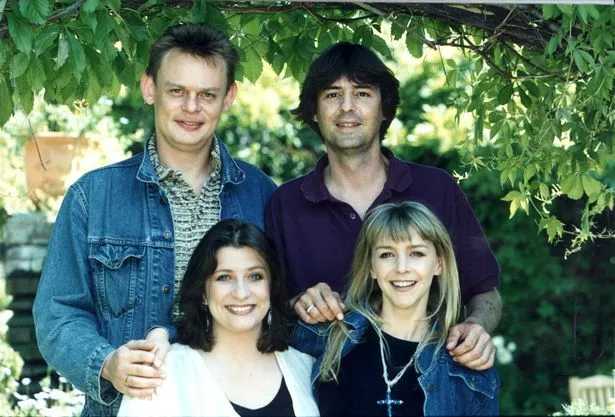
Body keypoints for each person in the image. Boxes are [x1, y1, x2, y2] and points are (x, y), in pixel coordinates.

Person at [33, 23, 276, 416]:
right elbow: (58, 313)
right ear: (150, 89)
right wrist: (106, 363)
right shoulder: (92, 198)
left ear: (228, 97)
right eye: (177, 91)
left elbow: (284, 304)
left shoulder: (263, 196)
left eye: (207, 95)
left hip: (236, 403)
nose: (191, 108)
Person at [266, 42, 501, 370]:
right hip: (327, 393)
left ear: (385, 108)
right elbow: (269, 309)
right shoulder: (286, 203)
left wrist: (476, 327)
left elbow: (485, 293)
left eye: (362, 93)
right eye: (332, 95)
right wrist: (299, 302)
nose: (347, 107)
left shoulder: (436, 189)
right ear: (314, 112)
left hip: (429, 386)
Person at [294, 201, 499, 416]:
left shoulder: (467, 369)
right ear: (372, 267)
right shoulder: (327, 336)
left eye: (416, 254)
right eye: (387, 254)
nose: (402, 268)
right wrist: (297, 303)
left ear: (439, 264)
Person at [118, 219, 318, 417]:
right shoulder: (160, 375)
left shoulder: (305, 366)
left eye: (255, 276)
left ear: (271, 286)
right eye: (224, 277)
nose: (241, 293)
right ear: (203, 292)